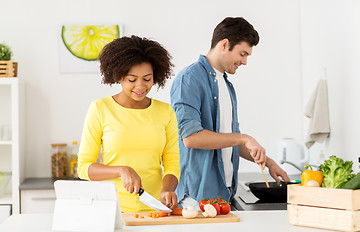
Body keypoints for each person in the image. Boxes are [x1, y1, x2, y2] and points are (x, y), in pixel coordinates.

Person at [170, 17, 290, 208]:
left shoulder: (227, 85)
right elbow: (191, 138)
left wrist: (269, 163)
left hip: (222, 194)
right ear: (224, 44)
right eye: (243, 54)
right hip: (195, 199)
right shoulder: (189, 79)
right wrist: (244, 138)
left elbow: (230, 141)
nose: (244, 62)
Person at [78, 35, 180, 213]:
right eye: (132, 79)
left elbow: (172, 161)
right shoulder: (100, 109)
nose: (140, 86)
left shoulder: (166, 112)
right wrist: (121, 170)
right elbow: (84, 167)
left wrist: (168, 189)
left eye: (147, 79)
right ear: (118, 76)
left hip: (155, 209)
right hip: (113, 209)